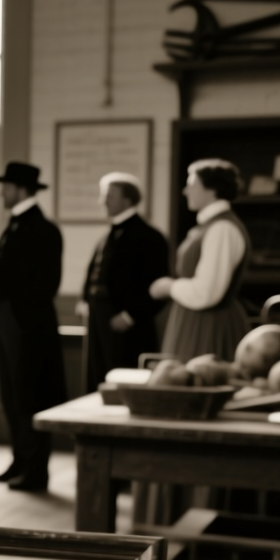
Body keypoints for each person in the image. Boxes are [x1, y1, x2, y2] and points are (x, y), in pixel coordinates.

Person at [0, 162, 66, 492]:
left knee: (30, 394)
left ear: (19, 189)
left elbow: (44, 285)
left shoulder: (42, 228)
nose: (2, 192)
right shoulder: (16, 224)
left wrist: (18, 319)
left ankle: (35, 470)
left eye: (6, 186)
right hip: (7, 318)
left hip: (26, 325)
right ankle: (19, 460)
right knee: (11, 393)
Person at [78, 172, 171, 391]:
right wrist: (85, 300)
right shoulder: (106, 237)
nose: (103, 202)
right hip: (98, 321)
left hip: (128, 327)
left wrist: (130, 315)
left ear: (127, 199)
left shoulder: (150, 237)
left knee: (123, 384)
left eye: (109, 196)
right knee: (97, 377)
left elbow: (158, 288)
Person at [150, 159, 250, 362]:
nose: (186, 191)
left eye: (192, 185)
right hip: (192, 322)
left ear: (211, 190)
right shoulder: (208, 226)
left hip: (210, 326)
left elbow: (207, 292)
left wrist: (169, 287)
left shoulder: (223, 228)